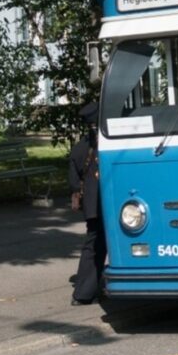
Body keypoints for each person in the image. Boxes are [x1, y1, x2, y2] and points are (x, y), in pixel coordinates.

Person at [68, 102, 105, 306]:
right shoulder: (106, 145)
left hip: (91, 206)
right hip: (108, 204)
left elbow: (74, 182)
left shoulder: (78, 149)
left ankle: (83, 292)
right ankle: (86, 292)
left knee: (92, 246)